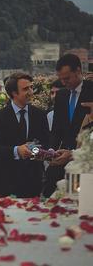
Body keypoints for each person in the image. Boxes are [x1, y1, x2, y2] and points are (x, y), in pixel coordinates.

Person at [0, 72, 50, 198]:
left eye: (31, 87)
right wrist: (17, 150)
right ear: (14, 93)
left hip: (32, 181)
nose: (31, 92)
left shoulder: (40, 115)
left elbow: (46, 142)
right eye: (25, 89)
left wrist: (34, 150)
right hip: (6, 180)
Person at [44, 54, 93, 197]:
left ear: (78, 71)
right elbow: (56, 130)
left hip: (86, 159)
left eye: (67, 78)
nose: (64, 82)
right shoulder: (62, 96)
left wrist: (73, 154)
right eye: (61, 79)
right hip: (61, 158)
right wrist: (52, 151)